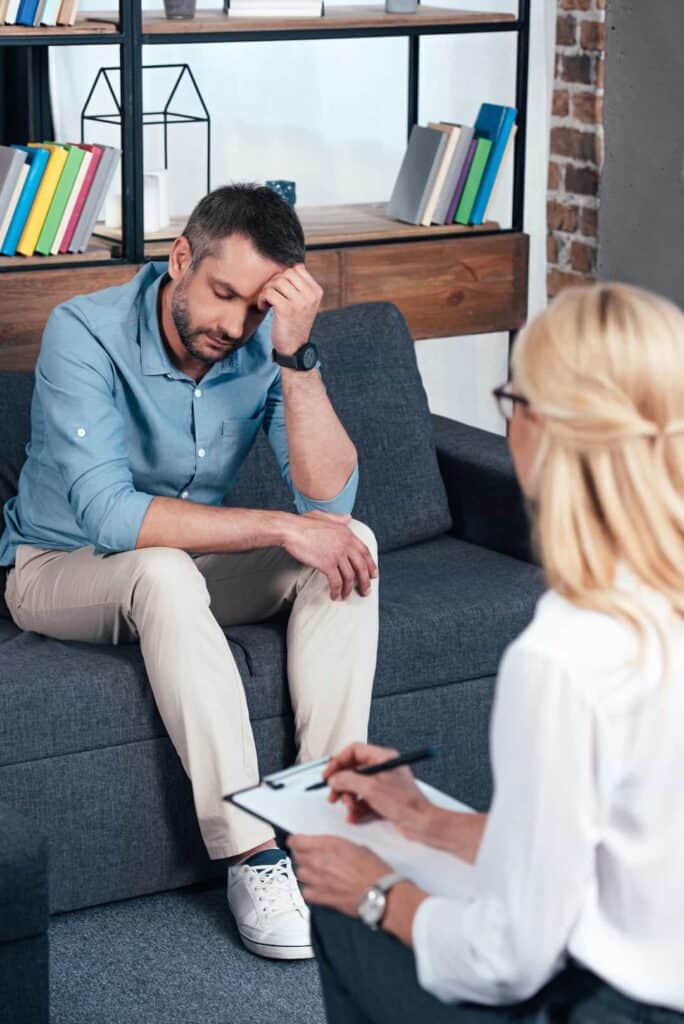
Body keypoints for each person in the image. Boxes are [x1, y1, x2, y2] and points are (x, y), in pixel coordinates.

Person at [0, 184, 380, 962]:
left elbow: (330, 498)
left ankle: (325, 820)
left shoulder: (261, 346)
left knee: (352, 545)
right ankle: (250, 855)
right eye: (223, 295)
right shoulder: (84, 331)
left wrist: (295, 357)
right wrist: (280, 526)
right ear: (180, 258)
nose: (232, 326)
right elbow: (111, 517)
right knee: (166, 570)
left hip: (183, 566)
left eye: (255, 308)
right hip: (56, 568)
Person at [290, 281, 684, 1020]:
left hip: (622, 1008)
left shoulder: (564, 655)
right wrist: (421, 818)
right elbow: (620, 854)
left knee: (341, 906)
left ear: (541, 427)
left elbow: (509, 955)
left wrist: (375, 891)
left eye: (510, 402)